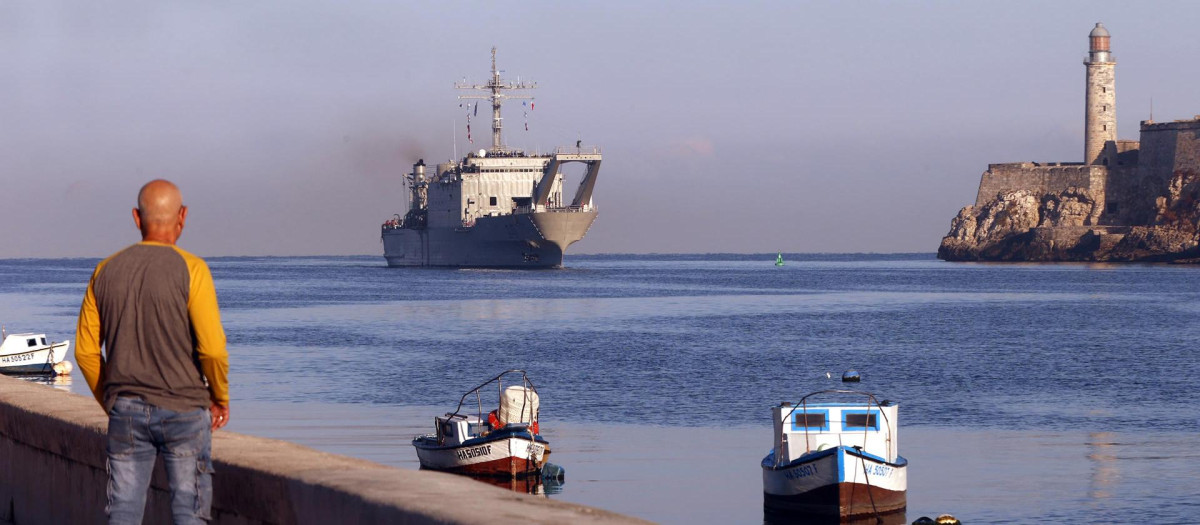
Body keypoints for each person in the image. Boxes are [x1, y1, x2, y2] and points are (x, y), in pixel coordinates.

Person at [75, 179, 230, 524]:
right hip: (187, 409)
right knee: (190, 514)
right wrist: (219, 396)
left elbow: (85, 352)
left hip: (126, 409)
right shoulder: (193, 269)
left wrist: (114, 401)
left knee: (124, 513)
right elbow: (213, 349)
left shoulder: (105, 270)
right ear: (183, 216)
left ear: (136, 217)